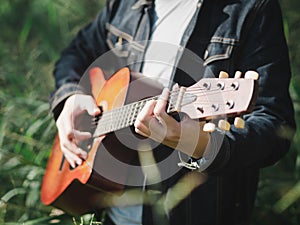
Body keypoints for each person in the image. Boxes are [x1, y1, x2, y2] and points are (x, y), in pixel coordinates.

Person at [49, 0, 296, 224]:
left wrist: (197, 144)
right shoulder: (126, 4)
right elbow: (77, 52)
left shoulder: (250, 9)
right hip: (111, 213)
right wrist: (70, 96)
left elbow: (274, 127)